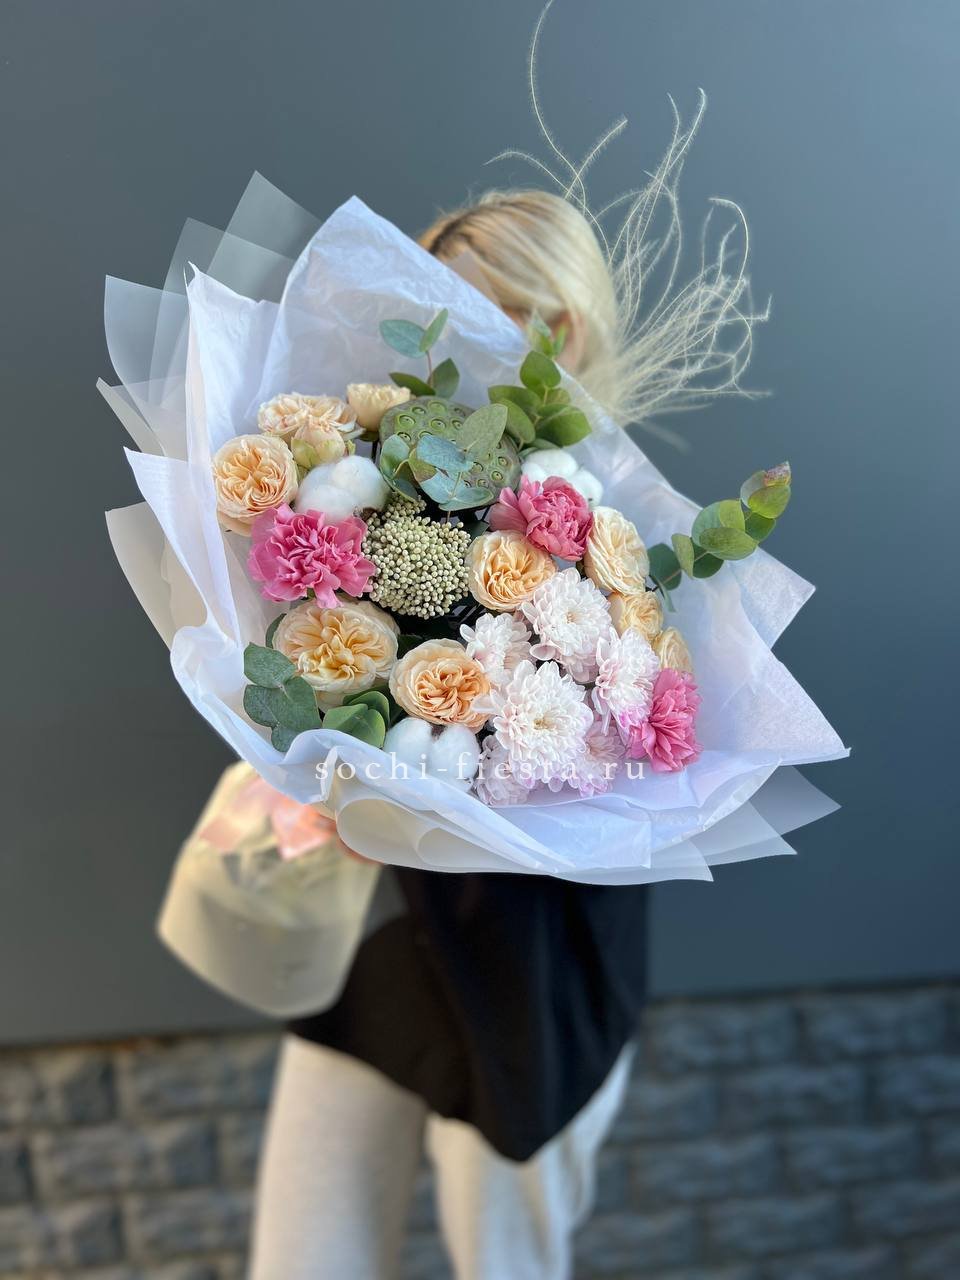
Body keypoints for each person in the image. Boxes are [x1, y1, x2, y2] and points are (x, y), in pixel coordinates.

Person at [249, 190, 652, 1280]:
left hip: (537, 967)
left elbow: (636, 763)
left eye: (468, 315)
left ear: (556, 332)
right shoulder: (398, 483)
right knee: (303, 1254)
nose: (437, 345)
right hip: (392, 927)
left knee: (508, 1261)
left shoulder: (625, 543)